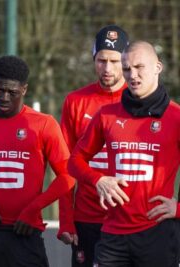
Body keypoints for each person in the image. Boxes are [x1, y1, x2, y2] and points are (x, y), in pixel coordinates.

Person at [0, 55, 75, 267]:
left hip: (26, 230)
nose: (5, 97)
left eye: (13, 92)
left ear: (24, 90)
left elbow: (68, 176)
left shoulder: (43, 124)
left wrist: (34, 208)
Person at [68, 41, 180, 267]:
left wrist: (178, 208)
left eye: (140, 67)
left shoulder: (176, 117)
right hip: (112, 234)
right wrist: (97, 179)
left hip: (157, 232)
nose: (133, 75)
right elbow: (74, 162)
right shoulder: (106, 115)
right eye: (127, 69)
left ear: (158, 67)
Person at [57, 25, 129, 266]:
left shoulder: (139, 101)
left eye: (114, 61)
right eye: (101, 60)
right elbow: (64, 166)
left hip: (128, 219)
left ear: (125, 61)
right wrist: (66, 220)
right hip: (87, 218)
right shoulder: (75, 101)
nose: (107, 68)